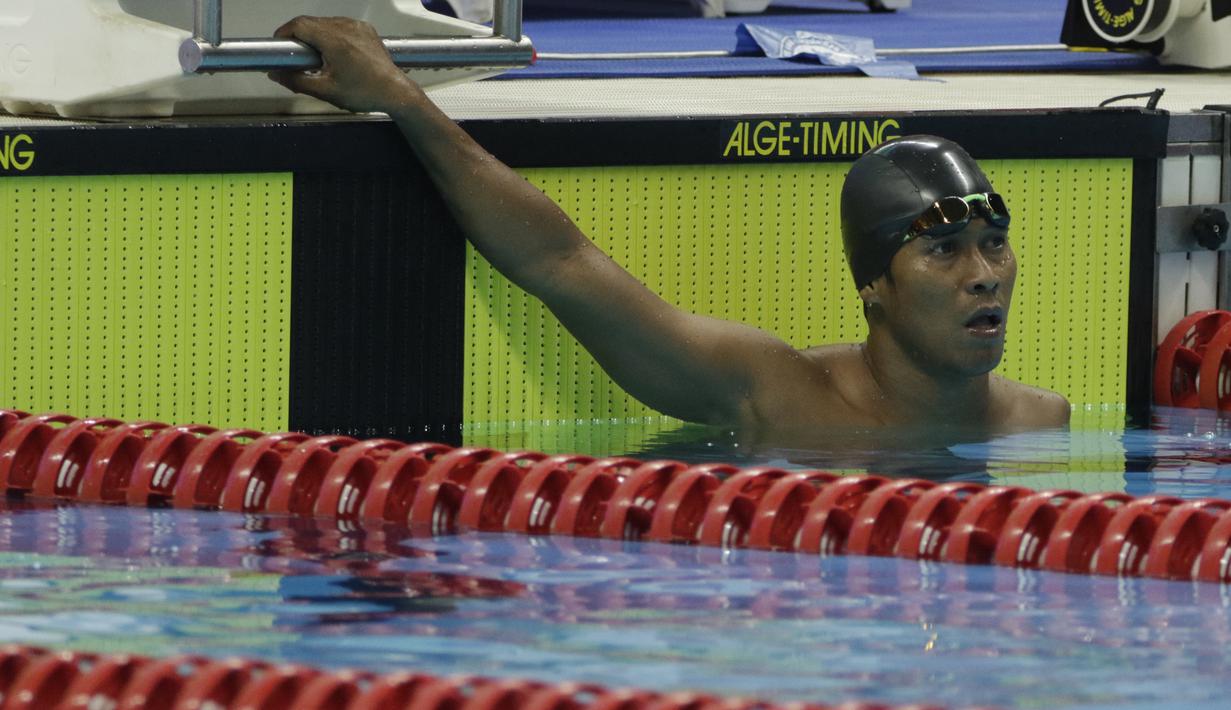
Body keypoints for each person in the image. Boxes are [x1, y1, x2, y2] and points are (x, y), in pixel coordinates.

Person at [267, 16, 1070, 448]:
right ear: (872, 285)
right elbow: (561, 260)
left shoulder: (1044, 424)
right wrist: (401, 98)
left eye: (993, 241)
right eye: (941, 249)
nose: (983, 273)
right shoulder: (776, 397)